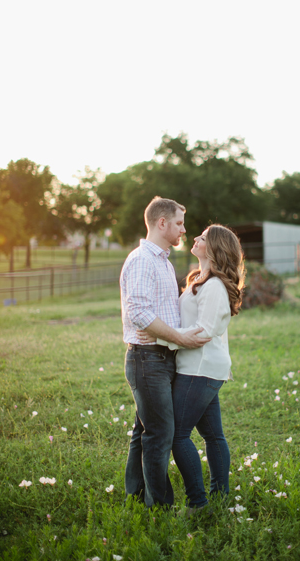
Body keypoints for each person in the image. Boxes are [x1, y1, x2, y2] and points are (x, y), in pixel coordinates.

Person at [138, 224, 245, 514]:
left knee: (177, 435)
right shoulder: (201, 278)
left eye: (202, 237)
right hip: (201, 367)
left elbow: (203, 333)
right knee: (213, 435)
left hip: (200, 368)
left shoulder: (213, 287)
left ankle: (198, 503)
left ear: (214, 248)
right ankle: (219, 496)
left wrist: (160, 337)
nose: (195, 238)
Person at [119, 196, 210, 509]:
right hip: (148, 358)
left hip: (160, 358)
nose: (184, 230)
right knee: (160, 433)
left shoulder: (163, 261)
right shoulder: (142, 260)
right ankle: (160, 508)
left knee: (145, 429)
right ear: (162, 223)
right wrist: (180, 339)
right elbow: (140, 314)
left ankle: (136, 495)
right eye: (179, 223)